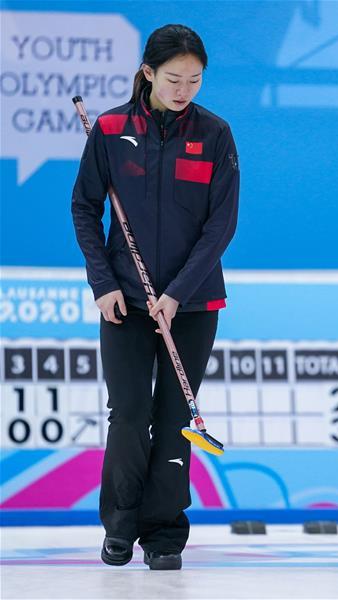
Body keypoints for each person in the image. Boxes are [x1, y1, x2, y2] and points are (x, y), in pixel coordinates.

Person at [71, 24, 239, 570]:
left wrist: (177, 292)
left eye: (194, 80)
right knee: (128, 416)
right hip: (124, 303)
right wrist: (103, 283)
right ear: (148, 73)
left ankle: (164, 534)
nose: (184, 89)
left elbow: (221, 225)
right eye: (173, 78)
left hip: (191, 306)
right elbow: (85, 209)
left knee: (174, 421)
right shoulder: (112, 129)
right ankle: (118, 528)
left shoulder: (216, 134)